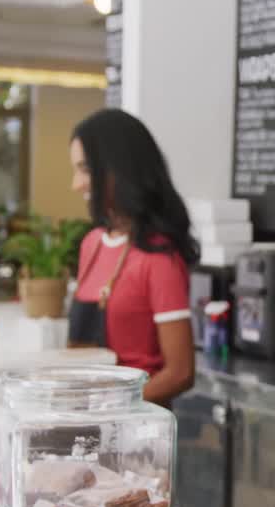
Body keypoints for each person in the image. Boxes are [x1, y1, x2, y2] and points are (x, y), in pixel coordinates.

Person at [67, 108, 197, 406]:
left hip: (135, 438)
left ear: (118, 168)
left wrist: (108, 409)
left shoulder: (159, 259)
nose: (77, 184)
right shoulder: (92, 245)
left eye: (86, 169)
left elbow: (180, 372)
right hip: (86, 426)